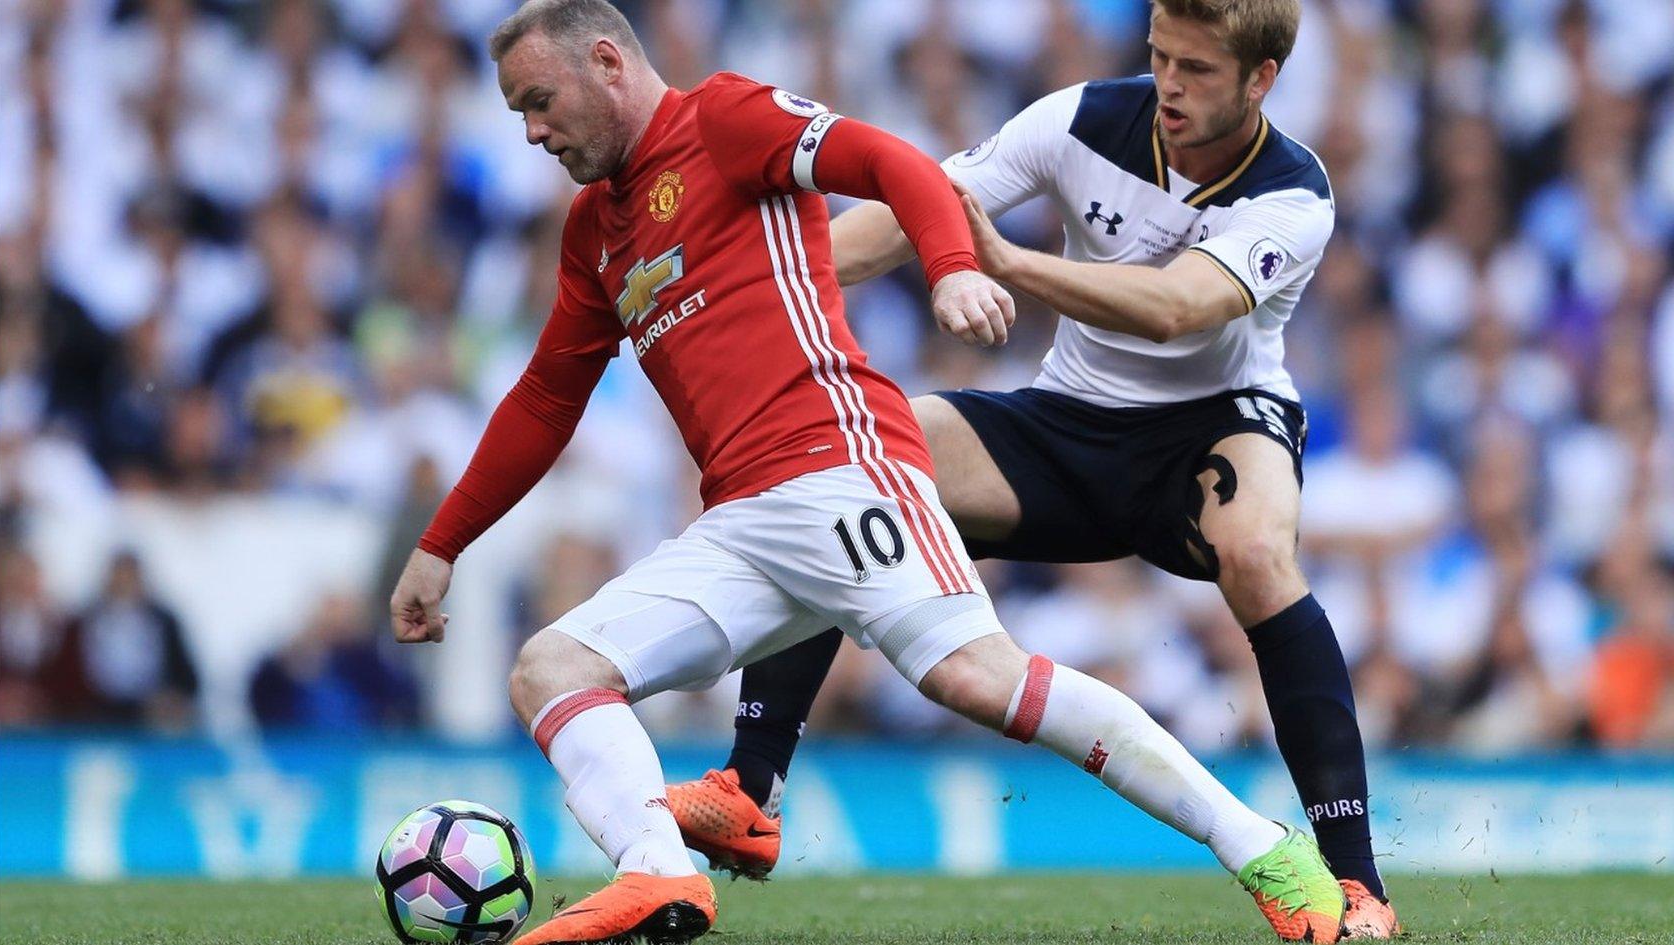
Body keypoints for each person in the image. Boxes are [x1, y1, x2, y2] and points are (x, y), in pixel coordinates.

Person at [389, 2, 1344, 943]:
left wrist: (953, 267)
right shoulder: (595, 231)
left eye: (539, 100)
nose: (531, 130)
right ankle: (661, 876)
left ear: (606, 61)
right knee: (552, 668)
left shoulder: (722, 117)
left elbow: (891, 163)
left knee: (975, 676)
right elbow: (546, 401)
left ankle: (1267, 849)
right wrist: (441, 546)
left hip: (843, 464)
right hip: (743, 519)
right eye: (517, 111)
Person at [668, 0, 1399, 938]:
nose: (1169, 86)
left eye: (1199, 70)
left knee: (1258, 553)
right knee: (846, 461)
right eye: (1160, 57)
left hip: (1211, 427)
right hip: (1067, 422)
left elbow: (1179, 307)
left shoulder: (1295, 193)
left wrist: (1006, 263)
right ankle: (752, 786)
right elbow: (913, 214)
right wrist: (725, 281)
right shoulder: (1080, 117)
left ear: (1262, 80)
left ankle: (1356, 883)